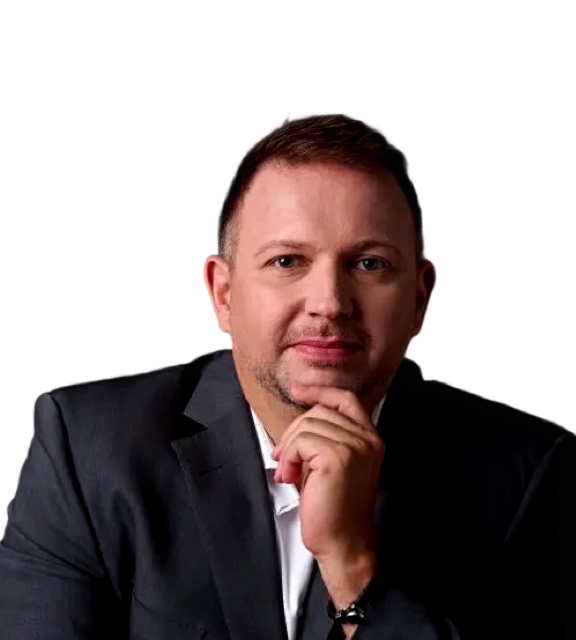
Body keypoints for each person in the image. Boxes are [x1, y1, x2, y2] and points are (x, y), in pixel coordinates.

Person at [0, 114, 574, 640]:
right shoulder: (87, 449)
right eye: (287, 261)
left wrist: (352, 564)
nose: (329, 302)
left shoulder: (530, 476)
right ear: (224, 294)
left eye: (369, 263)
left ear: (419, 300)